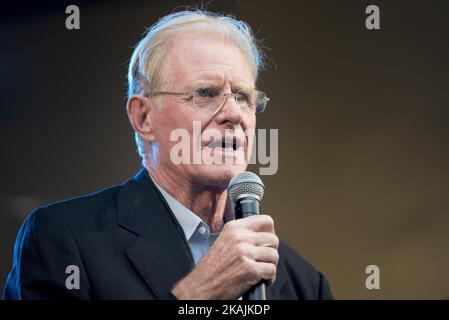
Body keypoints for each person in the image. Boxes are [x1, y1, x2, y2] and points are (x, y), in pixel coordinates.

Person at [3, 9, 333, 300]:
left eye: (244, 97)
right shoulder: (65, 240)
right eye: (205, 93)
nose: (234, 113)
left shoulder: (302, 282)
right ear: (143, 118)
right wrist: (197, 294)